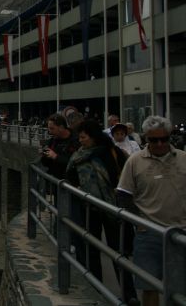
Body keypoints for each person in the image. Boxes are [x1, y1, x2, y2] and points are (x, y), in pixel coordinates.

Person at [117, 115, 186, 306]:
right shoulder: (135, 161)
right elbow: (123, 195)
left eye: (164, 139)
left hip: (180, 233)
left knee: (179, 288)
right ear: (146, 138)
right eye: (153, 140)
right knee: (149, 286)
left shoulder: (183, 159)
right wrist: (138, 223)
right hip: (148, 234)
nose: (160, 144)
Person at [66, 120, 135, 302]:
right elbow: (70, 178)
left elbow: (126, 177)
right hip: (89, 208)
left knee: (118, 252)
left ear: (93, 137)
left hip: (113, 208)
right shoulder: (78, 157)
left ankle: (129, 295)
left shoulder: (112, 153)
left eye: (83, 137)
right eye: (79, 137)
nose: (80, 141)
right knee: (92, 248)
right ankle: (97, 290)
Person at [40, 113, 80, 179]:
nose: (49, 132)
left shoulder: (76, 140)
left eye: (52, 128)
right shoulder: (52, 140)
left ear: (61, 128)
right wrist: (44, 155)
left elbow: (74, 163)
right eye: (49, 128)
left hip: (67, 182)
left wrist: (55, 156)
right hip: (54, 180)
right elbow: (46, 164)